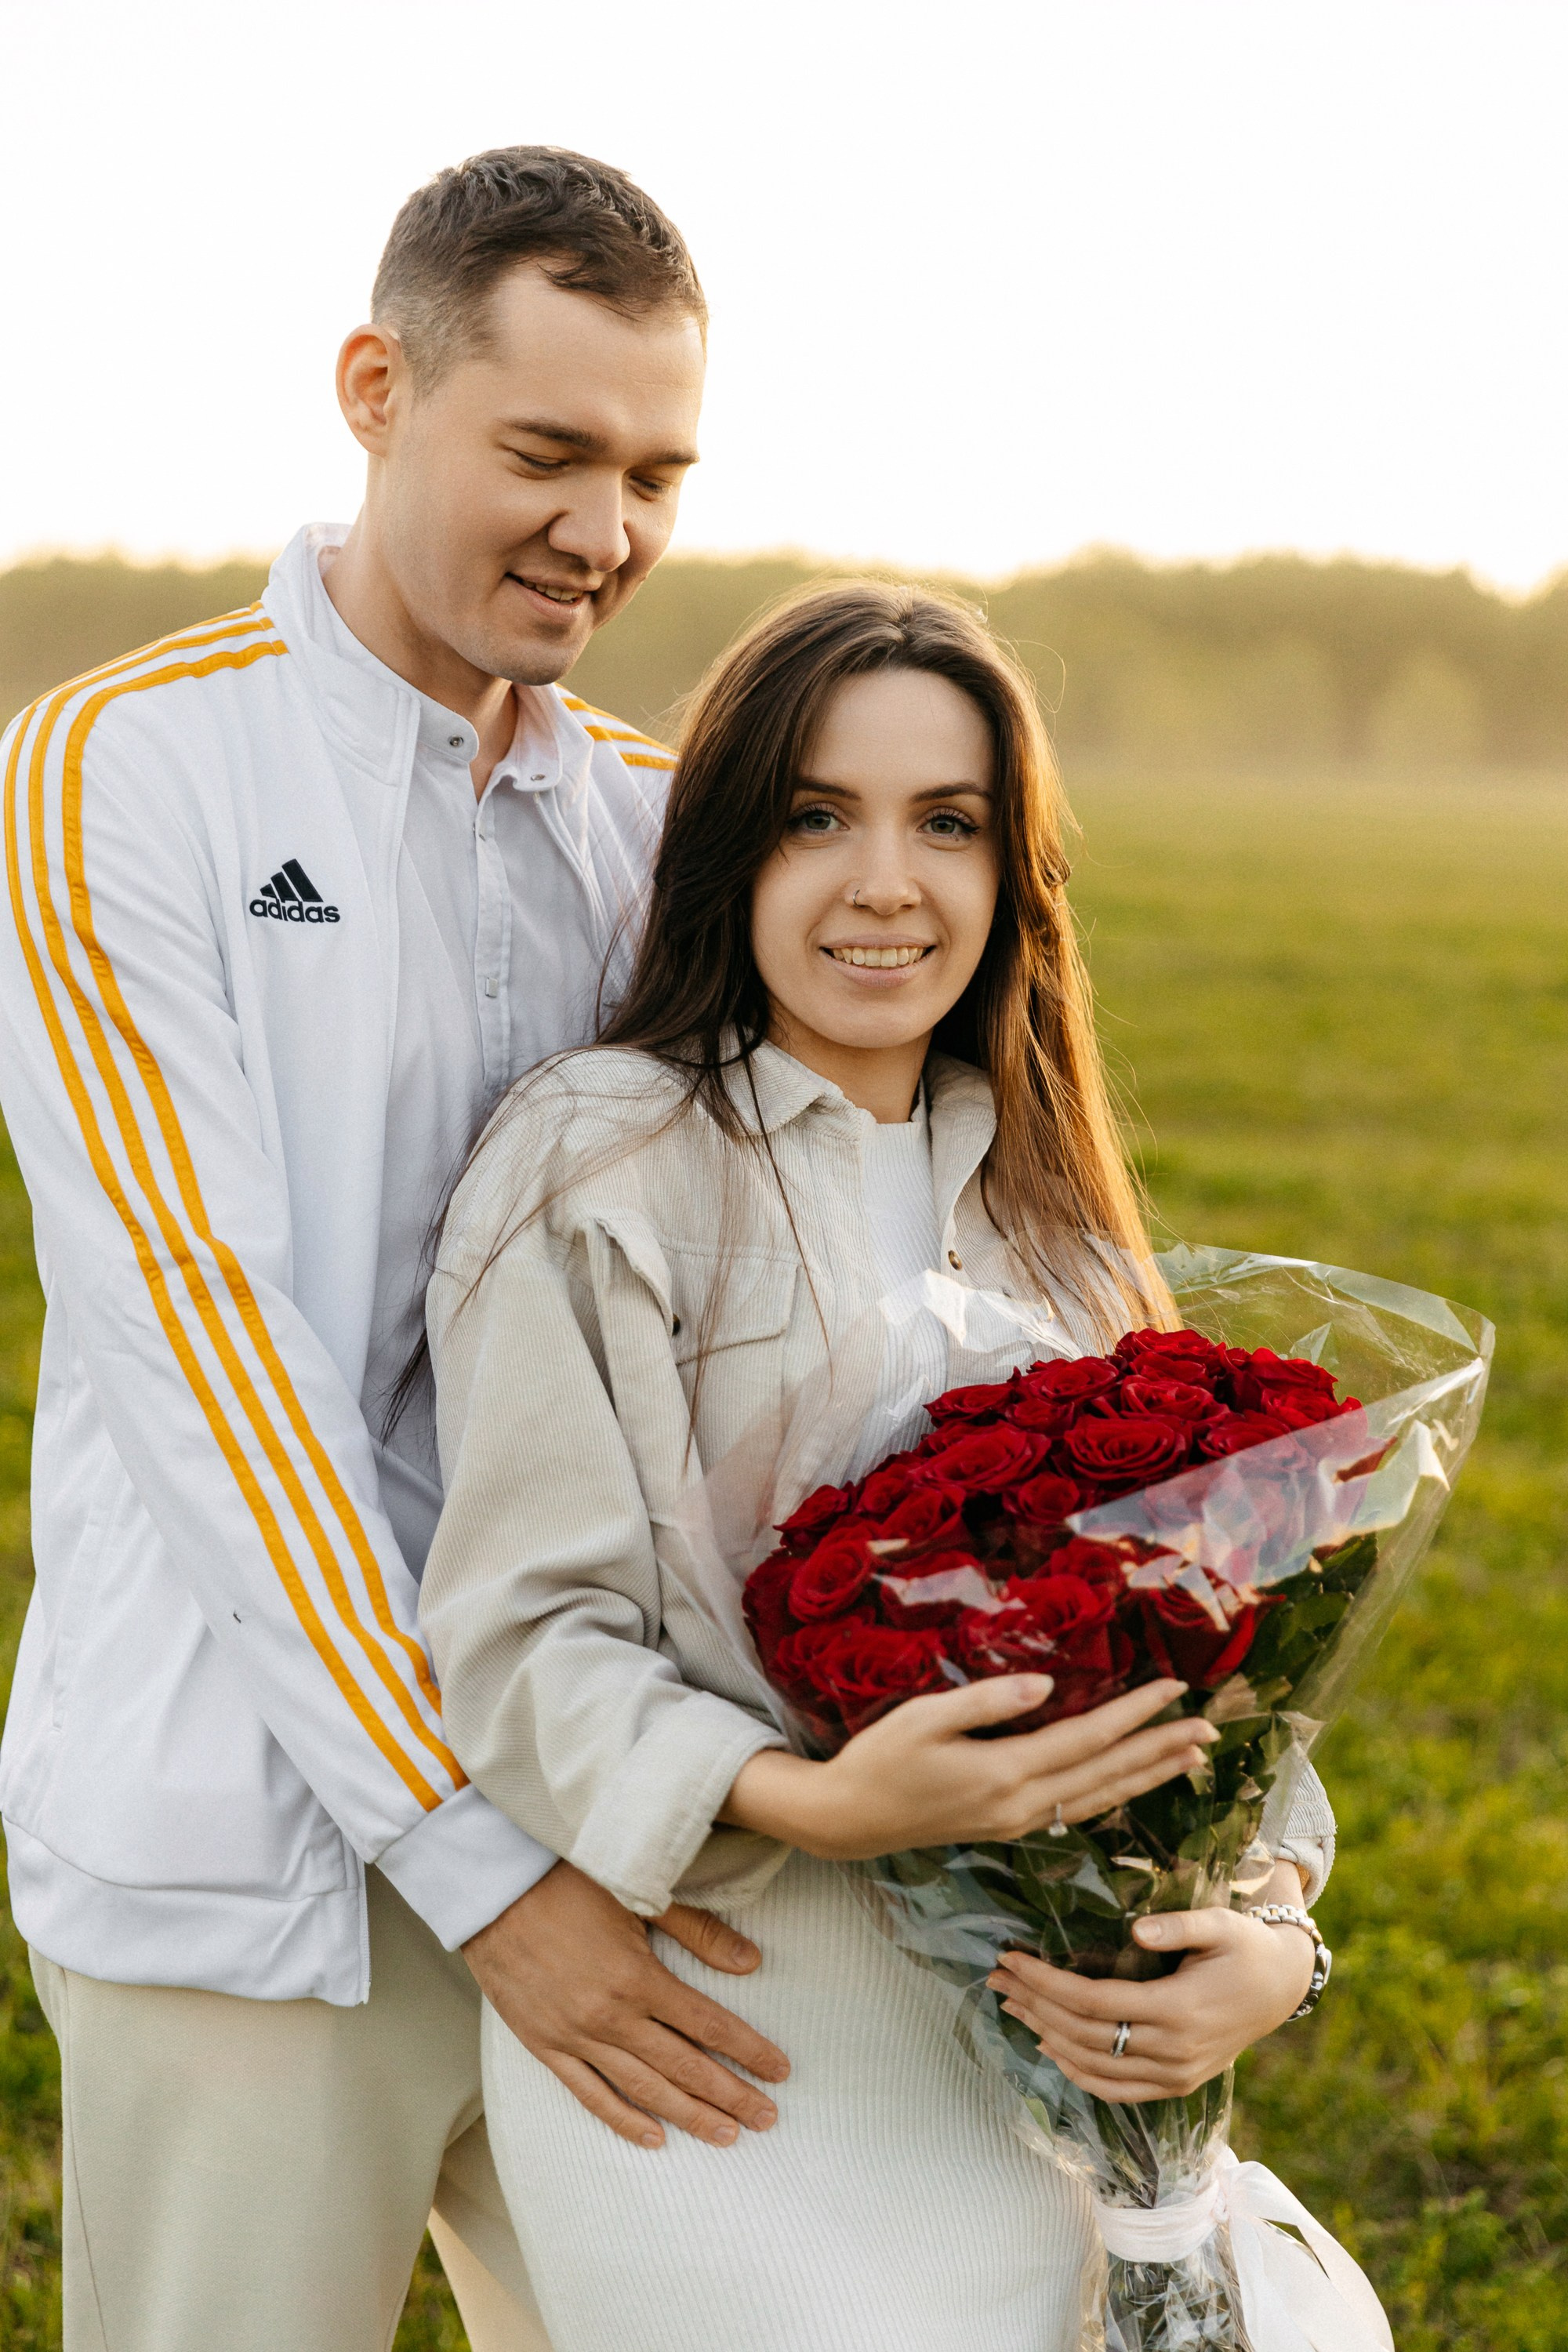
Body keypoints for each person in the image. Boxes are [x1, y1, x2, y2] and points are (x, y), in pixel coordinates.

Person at [0, 147, 793, 2352]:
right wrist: (475, 1865)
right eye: (546, 452)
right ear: (375, 386)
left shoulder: (661, 814)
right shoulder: (117, 770)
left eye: (655, 473)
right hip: (254, 1870)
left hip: (630, 1840)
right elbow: (213, 1356)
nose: (606, 535)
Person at [419, 580, 1339, 2351]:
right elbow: (522, 1636)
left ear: (1012, 874)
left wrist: (1275, 1945)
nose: (885, 884)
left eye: (950, 823)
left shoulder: (1056, 1219)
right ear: (724, 853)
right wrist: (815, 1800)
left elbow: (1236, 1658)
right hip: (724, 2014)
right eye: (815, 817)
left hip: (1029, 2027)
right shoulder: (600, 1156)